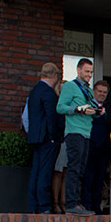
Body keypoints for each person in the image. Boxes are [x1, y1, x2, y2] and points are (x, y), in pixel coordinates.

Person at [56, 58, 103, 215]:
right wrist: (79, 109)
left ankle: (76, 202)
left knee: (81, 169)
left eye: (91, 72)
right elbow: (60, 107)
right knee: (74, 168)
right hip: (74, 132)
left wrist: (97, 112)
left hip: (86, 132)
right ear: (78, 70)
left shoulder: (89, 91)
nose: (89, 75)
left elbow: (91, 112)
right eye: (87, 71)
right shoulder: (70, 86)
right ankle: (71, 204)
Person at [25, 62, 65, 214]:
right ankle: (44, 206)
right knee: (45, 173)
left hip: (36, 138)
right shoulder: (49, 94)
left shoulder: (34, 92)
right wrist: (54, 137)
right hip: (48, 138)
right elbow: (52, 117)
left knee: (36, 172)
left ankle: (35, 205)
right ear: (55, 76)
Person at [81, 79, 111, 213]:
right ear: (93, 92)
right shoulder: (88, 107)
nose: (102, 94)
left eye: (105, 92)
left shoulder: (109, 109)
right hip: (90, 147)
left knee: (100, 179)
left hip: (104, 149)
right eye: (99, 91)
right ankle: (86, 205)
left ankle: (96, 206)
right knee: (88, 177)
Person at [50, 80, 67, 213]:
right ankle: (55, 203)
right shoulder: (55, 105)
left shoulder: (68, 105)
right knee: (58, 173)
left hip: (68, 141)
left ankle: (64, 202)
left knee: (66, 173)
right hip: (59, 141)